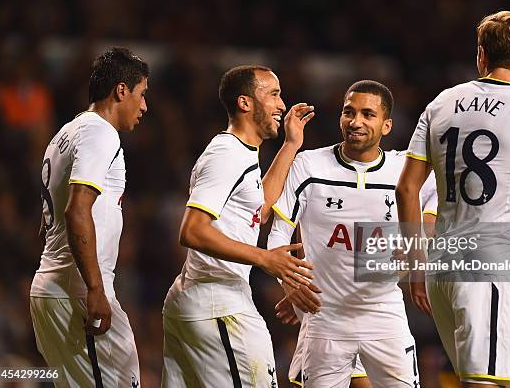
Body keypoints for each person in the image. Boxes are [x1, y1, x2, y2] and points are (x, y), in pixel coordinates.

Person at [396, 10, 510, 388]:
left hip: (440, 270)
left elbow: (407, 188)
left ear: (481, 54)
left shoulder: (441, 103)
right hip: (487, 266)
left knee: (481, 379)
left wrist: (417, 265)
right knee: (485, 384)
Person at [268, 80, 436, 388]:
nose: (355, 121)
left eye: (368, 115)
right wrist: (290, 283)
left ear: (387, 126)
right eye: (349, 112)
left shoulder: (404, 171)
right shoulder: (309, 166)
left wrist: (418, 241)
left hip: (384, 312)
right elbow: (278, 236)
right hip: (325, 316)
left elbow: (440, 203)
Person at [161, 65, 318, 387]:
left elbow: (259, 208)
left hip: (201, 300)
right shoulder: (226, 154)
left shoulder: (241, 153)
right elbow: (191, 230)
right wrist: (265, 258)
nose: (282, 105)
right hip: (218, 304)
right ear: (246, 103)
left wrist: (290, 145)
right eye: (273, 94)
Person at [29, 47, 149, 387]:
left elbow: (45, 222)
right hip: (77, 291)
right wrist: (95, 288)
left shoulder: (64, 134)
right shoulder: (100, 132)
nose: (144, 106)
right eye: (141, 95)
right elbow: (77, 209)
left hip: (53, 287)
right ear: (121, 91)